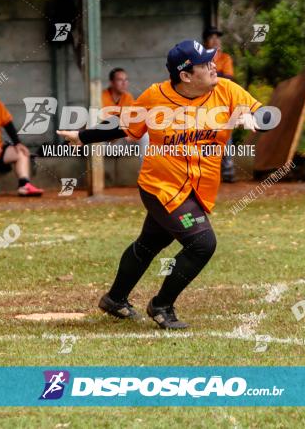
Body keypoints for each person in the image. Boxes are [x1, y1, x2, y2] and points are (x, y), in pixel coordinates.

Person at [58, 39, 265, 329]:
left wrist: (250, 116)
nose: (213, 66)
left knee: (149, 244)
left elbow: (264, 114)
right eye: (205, 63)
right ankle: (161, 305)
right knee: (202, 244)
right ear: (186, 75)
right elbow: (124, 126)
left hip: (197, 187)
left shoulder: (225, 89)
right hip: (161, 186)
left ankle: (115, 299)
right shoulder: (156, 97)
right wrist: (83, 137)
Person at [203, 27, 237, 182]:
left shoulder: (225, 58)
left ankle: (228, 170)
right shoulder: (200, 58)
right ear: (205, 41)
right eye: (212, 37)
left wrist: (209, 76)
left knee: (225, 135)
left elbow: (228, 78)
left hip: (222, 102)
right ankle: (206, 171)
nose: (215, 40)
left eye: (217, 37)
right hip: (203, 102)